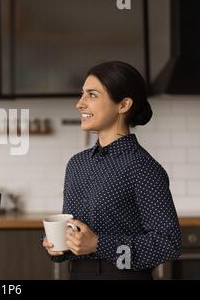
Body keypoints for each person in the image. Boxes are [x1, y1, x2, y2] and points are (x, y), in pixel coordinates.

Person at [42, 61, 182, 280]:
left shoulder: (142, 167)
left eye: (92, 95)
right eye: (82, 94)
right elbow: (75, 230)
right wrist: (57, 245)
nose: (80, 103)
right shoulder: (77, 164)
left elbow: (168, 243)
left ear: (123, 105)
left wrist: (98, 244)